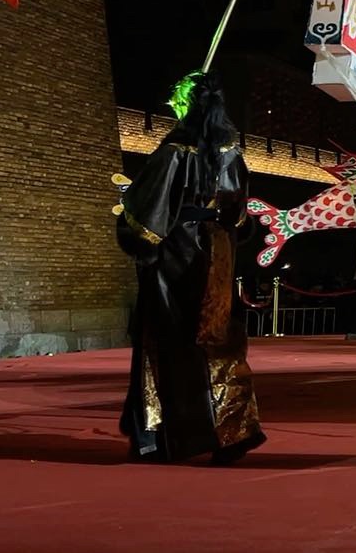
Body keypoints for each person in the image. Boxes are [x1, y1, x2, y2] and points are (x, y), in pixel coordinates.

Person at [115, 72, 265, 464]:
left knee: (168, 340)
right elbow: (238, 211)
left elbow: (148, 215)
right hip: (218, 250)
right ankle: (232, 431)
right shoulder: (231, 151)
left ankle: (165, 435)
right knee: (217, 337)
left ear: (186, 104)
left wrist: (134, 227)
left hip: (178, 253)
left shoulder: (175, 151)